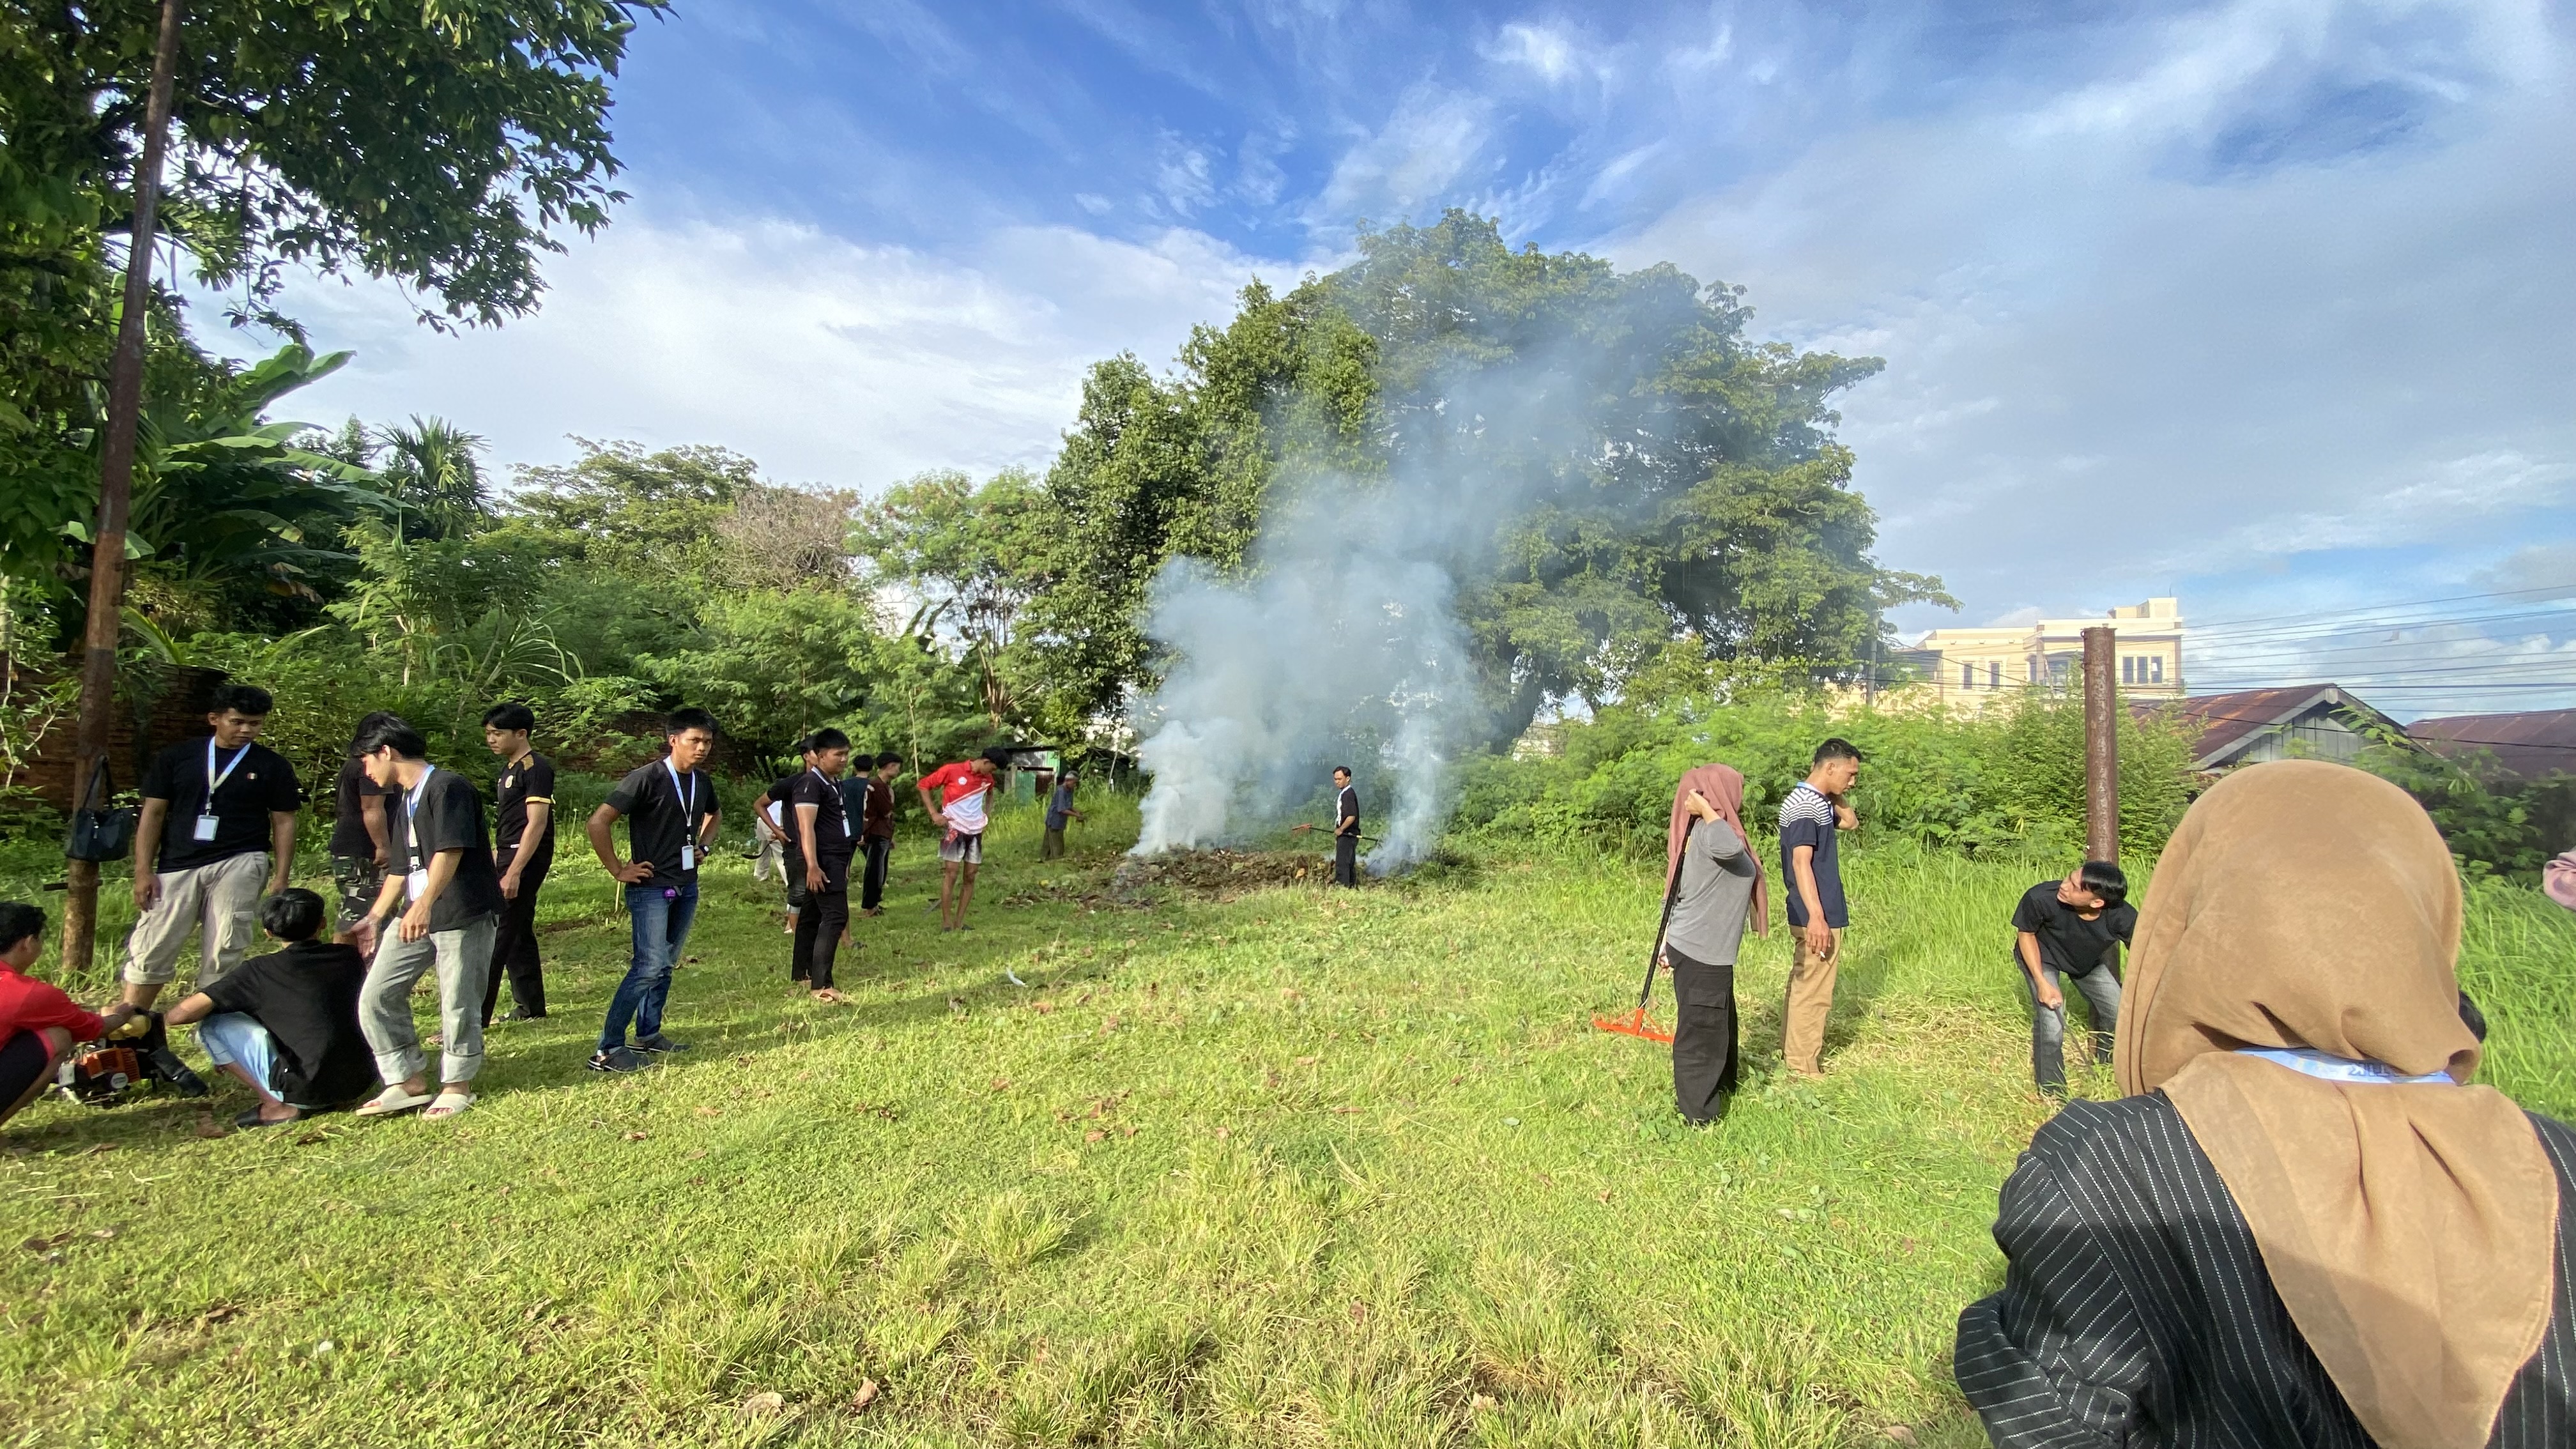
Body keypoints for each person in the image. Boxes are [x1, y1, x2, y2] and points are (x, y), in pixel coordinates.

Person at [1956, 760, 2576, 1449]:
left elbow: (2048, 1419)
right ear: (2425, 924)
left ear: (2194, 924)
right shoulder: (2562, 1161)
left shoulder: (2107, 1163)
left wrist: (1989, 1334)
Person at [350, 716, 504, 1121]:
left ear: (387, 752)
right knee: (376, 994)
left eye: (367, 760)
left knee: (458, 1000)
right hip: (415, 916)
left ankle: (457, 1085)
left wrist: (423, 904)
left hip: (460, 910)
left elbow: (449, 851)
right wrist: (376, 916)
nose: (366, 771)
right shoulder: (406, 798)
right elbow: (401, 868)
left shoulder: (448, 787)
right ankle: (405, 1081)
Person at [121, 682, 303, 1009]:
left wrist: (281, 875)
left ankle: (213, 1029)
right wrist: (143, 870)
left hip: (241, 858)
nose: (247, 730)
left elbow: (284, 819)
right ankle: (133, 1022)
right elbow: (154, 812)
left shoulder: (271, 765)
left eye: (255, 723)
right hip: (178, 863)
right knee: (154, 943)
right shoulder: (178, 757)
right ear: (214, 719)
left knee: (226, 945)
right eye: (238, 722)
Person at [161, 888, 373, 1128]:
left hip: (304, 1087)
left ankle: (276, 1106)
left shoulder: (257, 971)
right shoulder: (348, 957)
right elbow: (344, 940)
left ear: (268, 932)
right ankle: (328, 1098)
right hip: (360, 1081)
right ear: (322, 923)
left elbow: (178, 1016)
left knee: (213, 1024)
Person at [586, 707, 721, 1071]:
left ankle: (648, 1035)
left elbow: (714, 815)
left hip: (686, 884)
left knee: (665, 965)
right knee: (648, 966)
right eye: (695, 740)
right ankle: (607, 1050)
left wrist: (704, 847)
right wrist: (618, 869)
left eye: (707, 741)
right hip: (650, 888)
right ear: (673, 740)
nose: (702, 748)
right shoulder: (645, 778)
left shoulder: (701, 782)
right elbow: (598, 821)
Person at [1659, 766, 1767, 1123]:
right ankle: (1699, 1115)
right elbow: (1728, 847)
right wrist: (1708, 809)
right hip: (1700, 949)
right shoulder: (1710, 832)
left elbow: (1683, 888)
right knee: (1702, 1030)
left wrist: (1665, 941)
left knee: (1720, 1022)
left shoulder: (1709, 833)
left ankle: (1723, 1084)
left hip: (1704, 949)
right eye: (1734, 791)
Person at [0, 903, 139, 1128]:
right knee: (57, 1037)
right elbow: (94, 1028)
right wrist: (121, 1013)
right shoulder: (29, 994)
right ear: (27, 943)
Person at [2009, 861, 2134, 1096]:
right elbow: (2026, 935)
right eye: (2069, 878)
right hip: (2041, 956)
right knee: (2052, 1021)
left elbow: (2142, 953)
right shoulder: (2041, 897)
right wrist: (2042, 983)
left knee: (2119, 1011)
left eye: (2075, 887)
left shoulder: (2122, 917)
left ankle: (2106, 1066)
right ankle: (2052, 1092)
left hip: (2084, 962)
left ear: (2097, 902)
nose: (2065, 886)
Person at [1777, 738, 1860, 1078]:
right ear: (1830, 766)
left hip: (1817, 910)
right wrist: (1817, 917)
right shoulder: (1804, 806)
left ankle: (1792, 1053)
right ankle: (1803, 1067)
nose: (1853, 781)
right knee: (1814, 993)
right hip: (1817, 912)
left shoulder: (1815, 801)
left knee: (1804, 982)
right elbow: (1801, 863)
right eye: (1850, 774)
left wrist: (1832, 792)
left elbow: (1851, 822)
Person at [479, 702, 555, 1025]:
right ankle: (530, 1006)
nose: (491, 740)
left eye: (498, 733)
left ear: (521, 733)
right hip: (508, 853)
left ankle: (472, 1018)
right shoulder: (509, 768)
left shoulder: (535, 767)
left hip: (526, 857)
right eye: (488, 734)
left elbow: (536, 824)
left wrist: (514, 871)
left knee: (498, 934)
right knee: (519, 932)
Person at [791, 728, 857, 1000]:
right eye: (838, 755)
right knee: (835, 916)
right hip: (821, 859)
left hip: (832, 857)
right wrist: (814, 865)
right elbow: (807, 828)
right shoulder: (811, 784)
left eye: (846, 755)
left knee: (810, 916)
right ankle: (821, 984)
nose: (843, 760)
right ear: (819, 756)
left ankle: (802, 975)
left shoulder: (833, 782)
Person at [326, 710, 402, 930]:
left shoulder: (355, 763)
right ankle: (348, 961)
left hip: (354, 847)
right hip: (362, 850)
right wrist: (383, 847)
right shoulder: (368, 764)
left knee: (365, 908)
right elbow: (371, 808)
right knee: (361, 910)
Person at [917, 749, 1004, 932]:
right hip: (954, 829)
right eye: (992, 768)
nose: (992, 773)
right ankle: (947, 922)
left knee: (971, 875)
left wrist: (987, 815)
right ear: (985, 761)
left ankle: (960, 921)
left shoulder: (988, 779)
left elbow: (990, 794)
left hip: (975, 831)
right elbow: (924, 785)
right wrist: (934, 814)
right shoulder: (952, 770)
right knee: (951, 873)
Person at [753, 742, 812, 944]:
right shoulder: (791, 783)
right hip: (795, 845)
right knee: (797, 891)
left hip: (823, 846)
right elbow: (760, 804)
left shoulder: (833, 783)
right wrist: (777, 830)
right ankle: (797, 934)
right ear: (807, 756)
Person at [855, 752, 900, 916]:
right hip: (876, 832)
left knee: (880, 869)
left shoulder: (880, 785)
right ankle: (870, 906)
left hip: (883, 832)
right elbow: (886, 810)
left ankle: (874, 904)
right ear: (890, 767)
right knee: (875, 871)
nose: (897, 771)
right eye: (897, 767)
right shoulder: (878, 786)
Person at [1041, 769, 1084, 861]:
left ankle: (1044, 859)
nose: (1075, 785)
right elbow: (1062, 809)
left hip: (1060, 821)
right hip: (1054, 820)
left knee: (1049, 842)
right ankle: (1055, 860)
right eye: (1074, 783)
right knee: (1056, 844)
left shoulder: (1070, 791)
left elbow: (1069, 806)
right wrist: (1076, 816)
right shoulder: (1061, 791)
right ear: (1068, 781)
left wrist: (1077, 812)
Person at [1332, 766, 1360, 887]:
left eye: (1340, 779)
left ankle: (1342, 888)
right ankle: (1351, 887)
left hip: (1348, 834)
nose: (1337, 781)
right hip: (1347, 835)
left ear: (1348, 778)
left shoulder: (1348, 794)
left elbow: (1351, 816)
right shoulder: (1344, 793)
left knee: (1342, 863)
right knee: (1348, 863)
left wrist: (1341, 829)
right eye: (1335, 779)